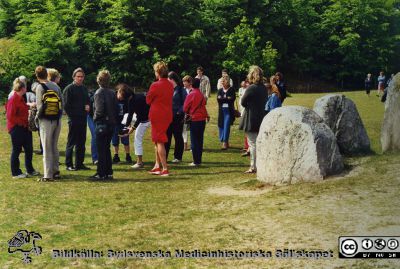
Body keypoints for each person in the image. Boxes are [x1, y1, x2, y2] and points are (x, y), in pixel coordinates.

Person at [6, 77, 39, 178]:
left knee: (29, 149)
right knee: (16, 150)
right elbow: (10, 116)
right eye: (25, 87)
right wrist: (22, 123)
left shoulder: (20, 98)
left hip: (24, 128)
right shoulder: (13, 99)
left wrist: (29, 108)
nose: (26, 89)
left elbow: (22, 109)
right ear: (23, 88)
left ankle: (30, 170)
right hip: (16, 128)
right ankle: (15, 173)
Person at [35, 66, 63, 181]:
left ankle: (47, 175)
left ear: (37, 76)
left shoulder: (39, 87)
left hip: (46, 121)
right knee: (54, 146)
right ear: (47, 74)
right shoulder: (55, 86)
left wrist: (36, 118)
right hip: (57, 119)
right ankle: (56, 171)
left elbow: (40, 106)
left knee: (46, 148)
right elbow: (61, 102)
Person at [146, 61, 174, 176]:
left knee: (159, 141)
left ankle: (164, 168)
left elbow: (148, 100)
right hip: (167, 114)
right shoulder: (170, 84)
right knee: (157, 140)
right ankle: (157, 166)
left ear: (158, 72)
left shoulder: (155, 85)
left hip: (157, 114)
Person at [239, 65, 268, 174]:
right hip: (261, 116)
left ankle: (253, 166)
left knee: (252, 143)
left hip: (251, 116)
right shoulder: (264, 88)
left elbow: (243, 102)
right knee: (257, 142)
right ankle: (259, 165)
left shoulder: (251, 88)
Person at [90, 70, 117, 180]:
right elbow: (116, 108)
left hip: (102, 123)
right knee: (107, 148)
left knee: (101, 149)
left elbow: (99, 110)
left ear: (99, 80)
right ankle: (108, 172)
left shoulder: (98, 93)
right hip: (111, 124)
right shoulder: (112, 92)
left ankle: (101, 173)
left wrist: (95, 118)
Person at [63, 67, 90, 171]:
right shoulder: (69, 89)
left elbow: (88, 100)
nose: (80, 78)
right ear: (74, 77)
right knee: (71, 142)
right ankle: (69, 164)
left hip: (83, 119)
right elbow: (66, 106)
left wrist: (88, 105)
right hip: (73, 119)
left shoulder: (84, 88)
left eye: (82, 76)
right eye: (78, 76)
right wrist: (73, 116)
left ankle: (79, 163)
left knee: (81, 142)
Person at [123, 85, 151, 169]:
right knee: (138, 139)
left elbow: (140, 117)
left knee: (137, 139)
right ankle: (140, 162)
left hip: (147, 119)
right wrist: (126, 126)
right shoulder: (132, 99)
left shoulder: (137, 100)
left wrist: (133, 128)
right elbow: (130, 114)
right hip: (146, 119)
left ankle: (139, 162)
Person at [183, 77, 210, 166]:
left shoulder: (191, 94)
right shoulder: (201, 94)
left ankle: (196, 161)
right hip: (202, 120)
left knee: (194, 141)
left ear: (191, 84)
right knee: (200, 140)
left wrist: (188, 112)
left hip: (194, 119)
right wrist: (207, 115)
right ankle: (199, 160)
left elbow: (185, 108)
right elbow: (203, 106)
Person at [165, 71, 187, 163]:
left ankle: (178, 157)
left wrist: (179, 112)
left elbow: (185, 103)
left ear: (172, 79)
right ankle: (164, 156)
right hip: (168, 117)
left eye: (168, 79)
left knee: (178, 137)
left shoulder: (181, 90)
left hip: (177, 117)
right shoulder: (167, 89)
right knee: (167, 137)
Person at [112, 85, 132, 164]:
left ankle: (128, 155)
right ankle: (116, 155)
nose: (121, 98)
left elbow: (129, 111)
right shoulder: (112, 97)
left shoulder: (126, 99)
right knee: (115, 140)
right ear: (118, 92)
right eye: (121, 96)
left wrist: (128, 123)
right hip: (114, 122)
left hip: (124, 122)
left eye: (123, 97)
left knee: (125, 139)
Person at [217, 75, 235, 150]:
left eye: (223, 81)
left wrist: (223, 99)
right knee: (221, 125)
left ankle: (224, 142)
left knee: (226, 126)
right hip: (221, 110)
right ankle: (224, 140)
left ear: (227, 82)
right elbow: (218, 99)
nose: (222, 83)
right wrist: (226, 98)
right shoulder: (220, 90)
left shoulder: (231, 90)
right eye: (222, 81)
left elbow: (232, 99)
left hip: (228, 111)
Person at [87, 88, 98, 164]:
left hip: (99, 118)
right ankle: (95, 158)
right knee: (95, 136)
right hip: (91, 117)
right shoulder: (91, 98)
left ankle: (101, 157)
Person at [238, 80, 249, 156]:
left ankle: (248, 147)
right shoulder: (241, 90)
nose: (245, 84)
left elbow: (244, 101)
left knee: (247, 129)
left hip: (247, 111)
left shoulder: (249, 90)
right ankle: (246, 146)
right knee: (246, 129)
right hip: (242, 110)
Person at [182, 76, 192, 151]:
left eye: (185, 82)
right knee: (184, 129)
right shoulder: (183, 90)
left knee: (192, 129)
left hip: (192, 113)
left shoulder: (193, 90)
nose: (183, 83)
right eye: (183, 82)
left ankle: (193, 145)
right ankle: (185, 145)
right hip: (185, 112)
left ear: (189, 82)